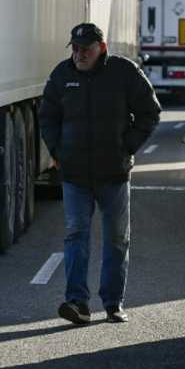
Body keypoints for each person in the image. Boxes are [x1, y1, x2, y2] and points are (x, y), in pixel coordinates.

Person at [38, 23, 161, 324]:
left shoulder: (124, 72)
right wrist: (56, 153)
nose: (79, 54)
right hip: (75, 175)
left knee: (116, 239)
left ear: (101, 48)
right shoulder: (62, 75)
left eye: (86, 49)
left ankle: (113, 303)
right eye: (75, 48)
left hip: (114, 174)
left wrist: (127, 146)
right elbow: (47, 116)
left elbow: (151, 111)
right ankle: (77, 303)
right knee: (75, 234)